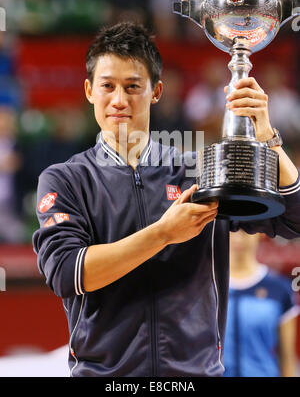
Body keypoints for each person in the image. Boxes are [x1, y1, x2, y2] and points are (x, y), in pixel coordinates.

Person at [32, 21, 300, 377]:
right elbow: (68, 273)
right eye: (107, 86)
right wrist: (163, 233)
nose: (119, 100)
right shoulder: (66, 180)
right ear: (89, 90)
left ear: (156, 91)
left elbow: (292, 220)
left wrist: (266, 136)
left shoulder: (198, 173)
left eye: (133, 87)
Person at [224, 230, 299, 377]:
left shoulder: (280, 289)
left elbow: (287, 356)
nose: (239, 237)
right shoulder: (205, 286)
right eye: (232, 229)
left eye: (246, 230)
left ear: (260, 233)